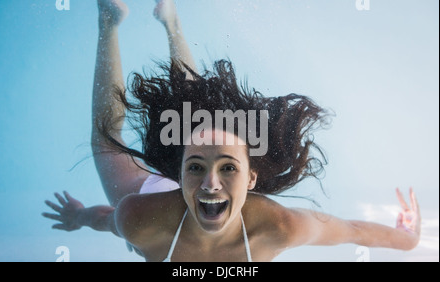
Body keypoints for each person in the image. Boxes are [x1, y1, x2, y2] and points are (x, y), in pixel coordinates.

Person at [42, 0, 421, 262]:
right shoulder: (140, 218)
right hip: (159, 203)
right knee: (112, 135)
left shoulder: (279, 226)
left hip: (168, 205)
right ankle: (121, 20)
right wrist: (78, 217)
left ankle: (151, 21)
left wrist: (408, 239)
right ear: (179, 172)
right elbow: (104, 219)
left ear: (251, 176)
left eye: (228, 167)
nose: (210, 184)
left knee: (150, 122)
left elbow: (350, 229)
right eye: (195, 168)